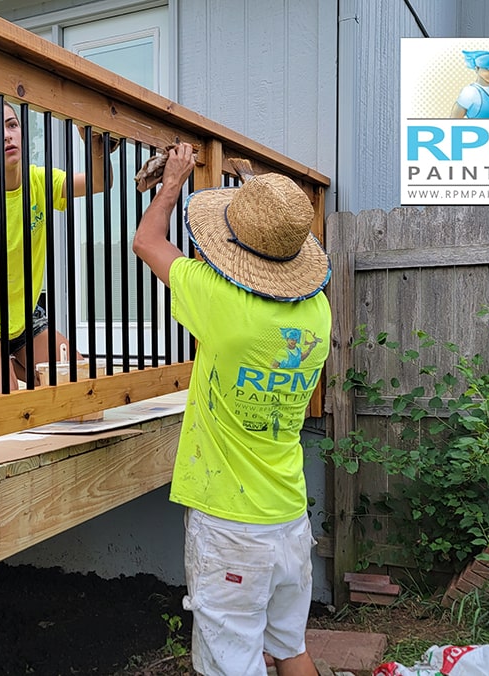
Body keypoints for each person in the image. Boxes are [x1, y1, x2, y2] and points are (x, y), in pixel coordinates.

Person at [131, 144, 331, 676]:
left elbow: (147, 241)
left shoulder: (220, 303)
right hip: (289, 518)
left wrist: (172, 182)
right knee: (291, 650)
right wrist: (257, 197)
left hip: (231, 530)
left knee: (231, 665)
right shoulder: (318, 310)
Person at [0, 97, 111, 394]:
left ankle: (16, 365)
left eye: (12, 125)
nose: (7, 135)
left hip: (26, 318)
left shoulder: (39, 181)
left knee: (81, 388)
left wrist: (94, 144)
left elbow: (100, 182)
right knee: (5, 406)